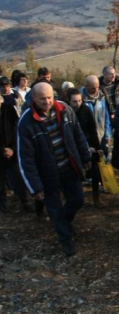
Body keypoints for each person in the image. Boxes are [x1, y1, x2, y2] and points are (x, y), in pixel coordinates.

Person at [17, 83, 91, 256]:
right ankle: (66, 241)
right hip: (47, 174)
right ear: (33, 98)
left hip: (68, 166)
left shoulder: (64, 110)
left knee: (78, 200)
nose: (47, 101)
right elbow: (25, 158)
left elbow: (78, 134)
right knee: (54, 208)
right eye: (42, 98)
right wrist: (35, 186)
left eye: (50, 97)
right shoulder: (26, 122)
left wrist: (86, 157)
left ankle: (63, 222)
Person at [67, 88, 104, 208]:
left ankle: (96, 199)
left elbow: (93, 130)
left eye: (79, 101)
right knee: (75, 175)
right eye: (74, 101)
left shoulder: (86, 110)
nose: (77, 103)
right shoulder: (65, 113)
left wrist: (97, 147)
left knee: (95, 173)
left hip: (89, 144)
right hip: (72, 147)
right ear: (69, 101)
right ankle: (76, 199)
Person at [80, 75, 112, 208]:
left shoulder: (101, 96)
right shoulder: (79, 99)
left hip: (100, 135)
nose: (96, 89)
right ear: (86, 86)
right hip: (85, 138)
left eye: (98, 87)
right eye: (93, 88)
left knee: (98, 165)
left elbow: (106, 117)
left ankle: (97, 194)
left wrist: (108, 134)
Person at [0, 94, 31, 213]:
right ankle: (2, 203)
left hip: (13, 149)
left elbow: (18, 129)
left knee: (19, 177)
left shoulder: (9, 110)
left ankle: (25, 202)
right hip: (1, 152)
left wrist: (12, 148)